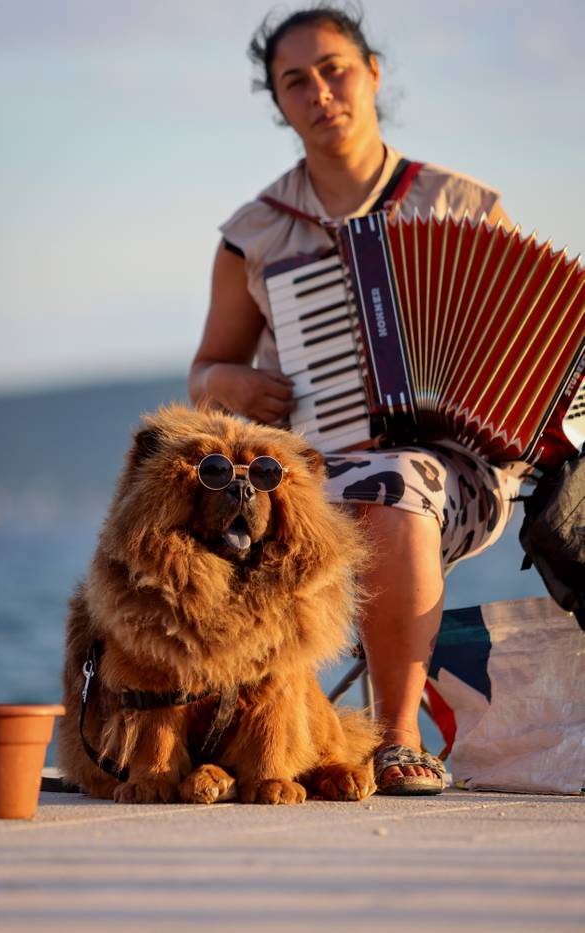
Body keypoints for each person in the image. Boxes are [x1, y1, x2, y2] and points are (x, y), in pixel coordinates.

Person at [188, 4, 524, 795]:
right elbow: (206, 369)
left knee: (399, 481)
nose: (320, 92)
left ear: (372, 73)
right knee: (358, 484)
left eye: (334, 69)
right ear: (279, 104)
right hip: (311, 467)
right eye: (294, 81)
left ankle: (399, 738)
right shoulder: (258, 232)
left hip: (458, 473)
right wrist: (226, 385)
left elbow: (531, 337)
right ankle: (235, 730)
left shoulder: (459, 205)